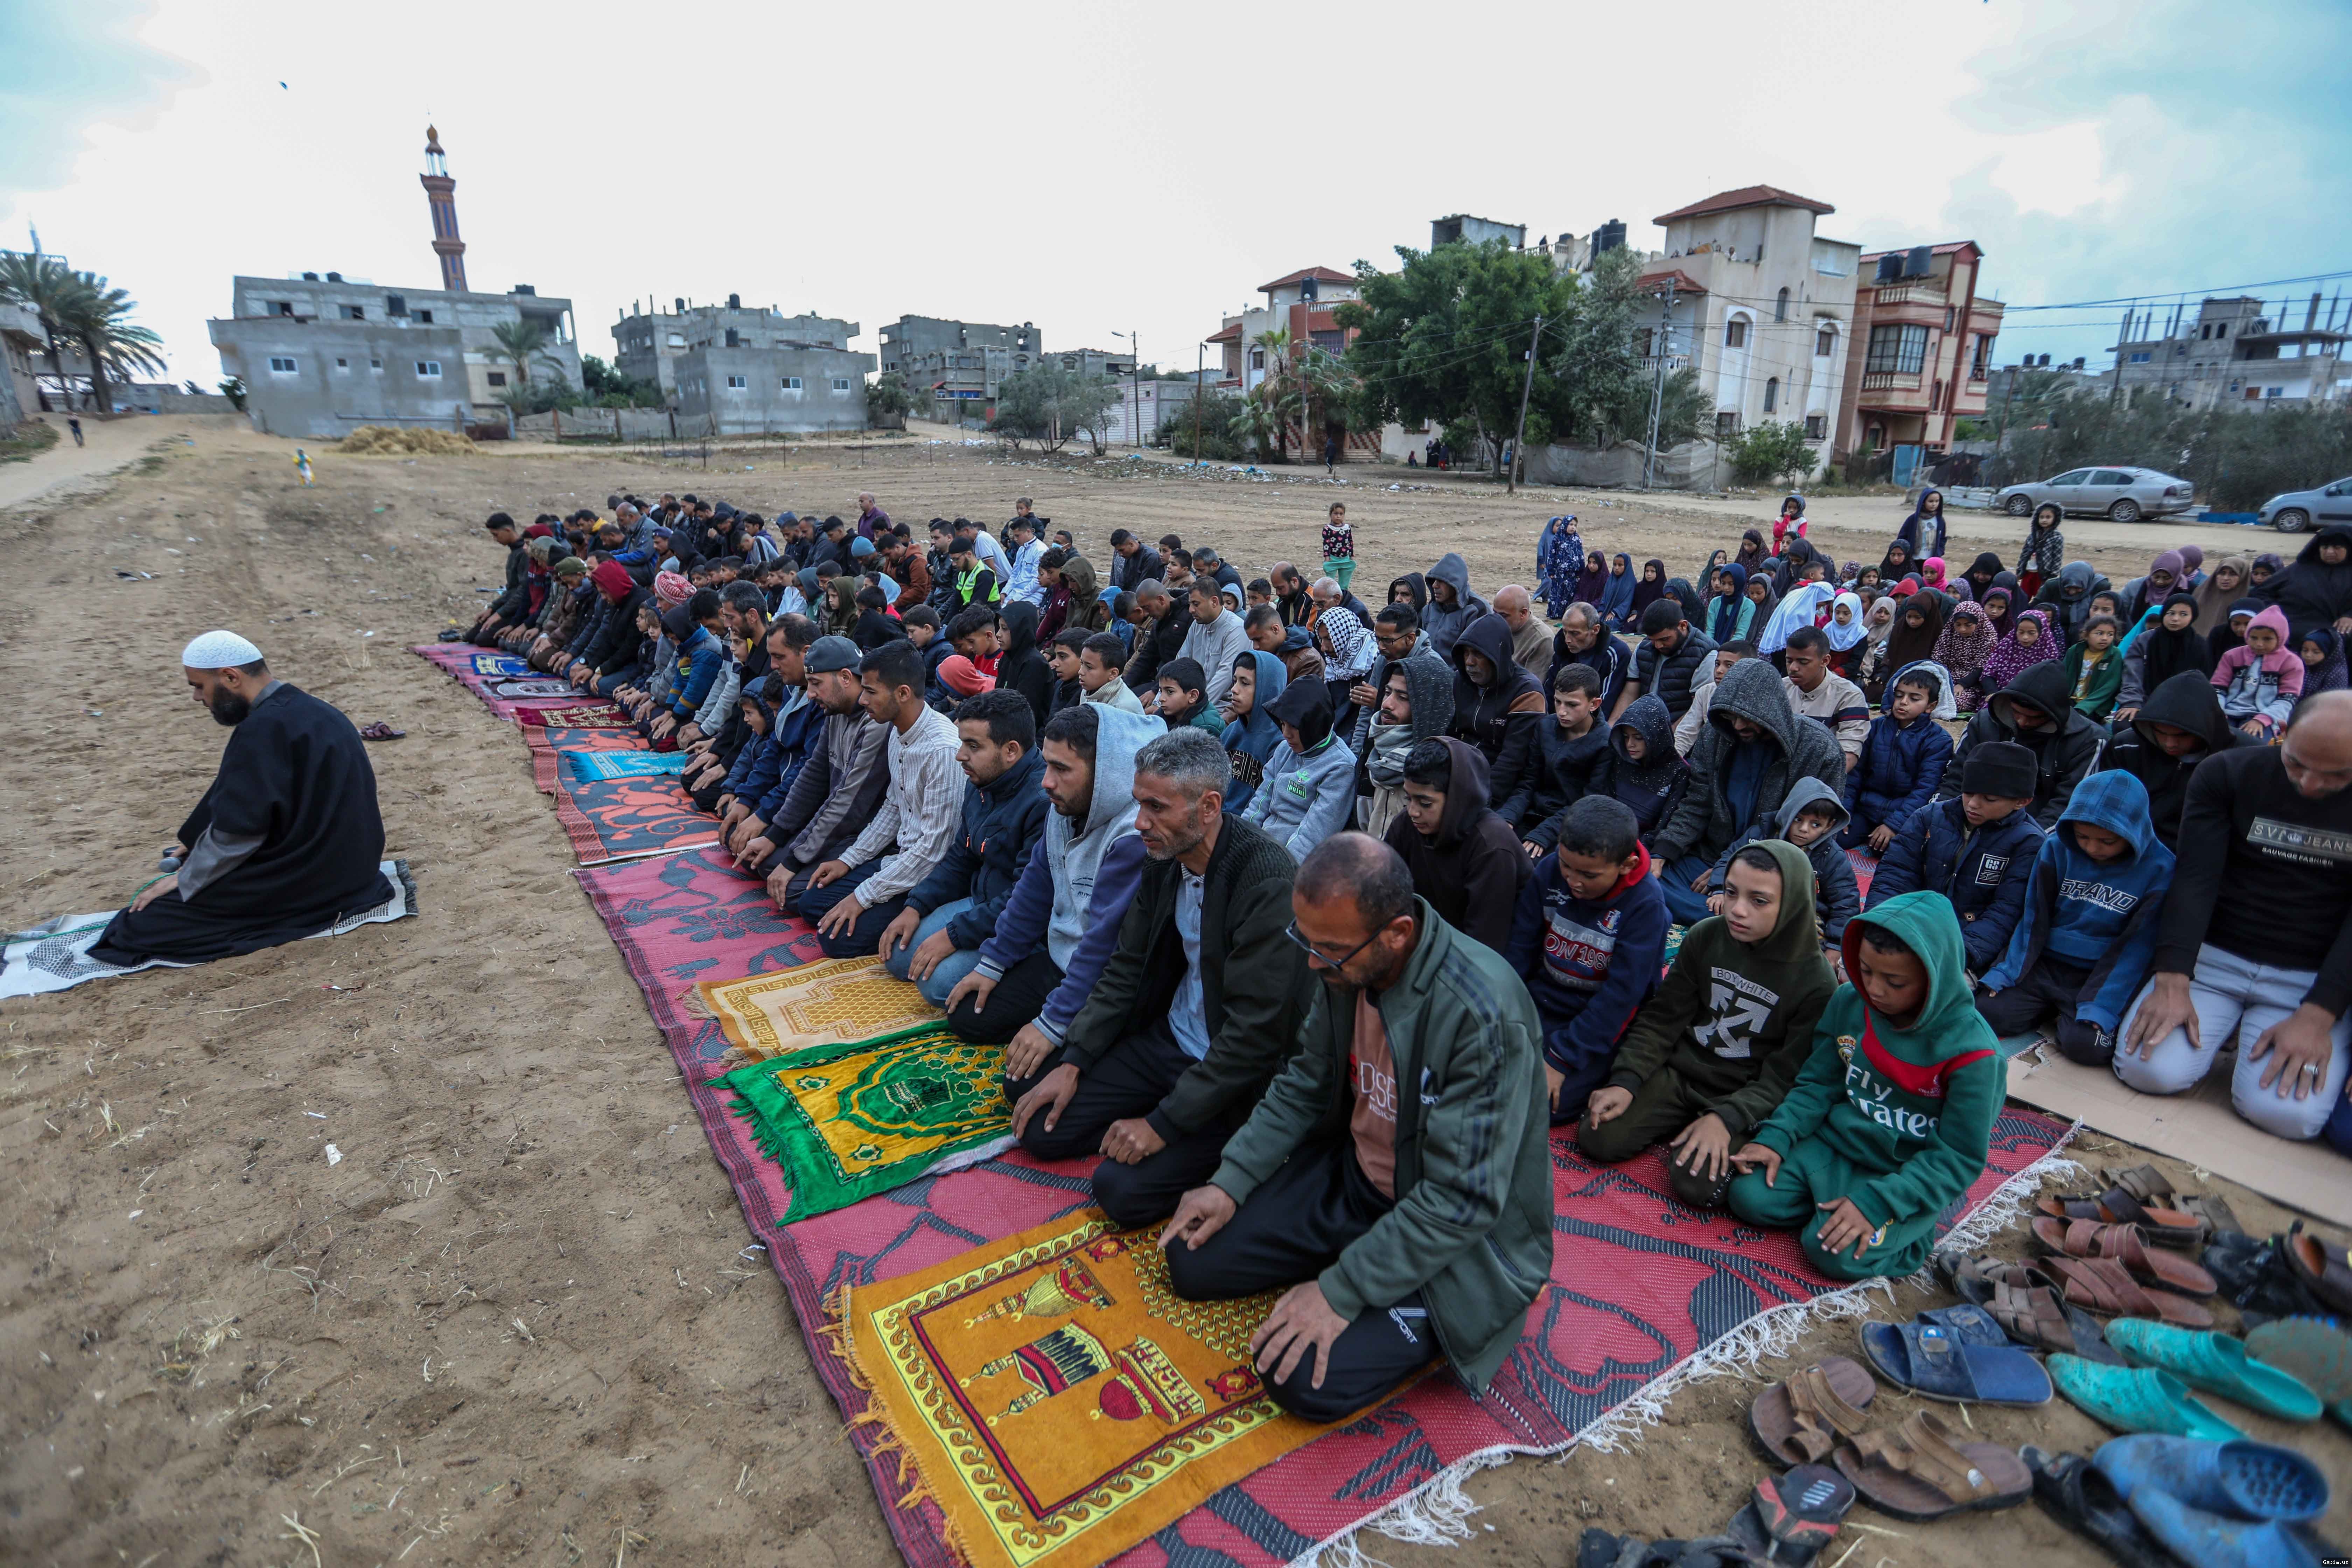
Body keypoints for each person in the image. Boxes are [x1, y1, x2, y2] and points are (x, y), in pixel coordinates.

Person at [1159, 833, 1553, 1423]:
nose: (1314, 964)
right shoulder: (1346, 965)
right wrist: (1230, 1182)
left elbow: (1462, 1199)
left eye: (1331, 950)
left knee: (1293, 1377)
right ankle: (1356, 1259)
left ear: (1397, 933)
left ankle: (1407, 1292)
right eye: (1307, 941)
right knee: (1192, 1261)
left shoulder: (1480, 1013)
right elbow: (1303, 1084)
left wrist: (1340, 1291)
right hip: (1357, 1182)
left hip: (1453, 1236)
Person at [1006, 727, 1316, 1225]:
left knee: (1119, 1191)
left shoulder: (1266, 880)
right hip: (1170, 1040)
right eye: (1138, 804)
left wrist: (1164, 1124)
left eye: (1156, 808)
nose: (1141, 822)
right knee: (1036, 1112)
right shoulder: (1164, 855)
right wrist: (1077, 1059)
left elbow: (1253, 1034)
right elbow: (1125, 966)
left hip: (1230, 1070)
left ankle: (1237, 1153)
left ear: (1210, 807)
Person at [2116, 692, 2352, 1141]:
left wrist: (2320, 1016)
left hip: (2307, 976)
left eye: (2336, 775)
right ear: (2281, 734)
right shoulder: (2229, 774)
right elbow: (2194, 878)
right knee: (2149, 1071)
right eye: (2297, 763)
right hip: (2215, 956)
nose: (2310, 785)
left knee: (2286, 1115)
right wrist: (2172, 978)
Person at [1727, 895, 1998, 1280]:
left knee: (1835, 1255)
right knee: (1748, 1196)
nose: (1875, 989)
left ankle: (1908, 1237)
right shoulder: (1850, 1002)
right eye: (1866, 970)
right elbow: (1818, 1082)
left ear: (1936, 975)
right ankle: (1830, 1208)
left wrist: (1879, 1203)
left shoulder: (1975, 1055)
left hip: (1901, 1169)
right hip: (1835, 1144)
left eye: (1896, 981)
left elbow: (1958, 1156)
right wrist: (1778, 1135)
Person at [93, 632, 392, 966]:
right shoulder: (314, 710)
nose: (196, 697)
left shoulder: (263, 729)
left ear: (231, 677)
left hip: (313, 877)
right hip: (356, 870)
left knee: (133, 928)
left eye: (199, 686)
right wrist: (197, 843)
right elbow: (247, 797)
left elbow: (240, 831)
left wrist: (185, 878)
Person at [1582, 840, 1836, 1210]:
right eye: (1731, 892)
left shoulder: (1816, 982)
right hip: (1681, 1073)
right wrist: (1627, 1079)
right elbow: (1662, 1019)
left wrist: (1727, 1118)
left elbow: (1785, 1076)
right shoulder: (1706, 935)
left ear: (1794, 903)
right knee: (1597, 1135)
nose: (1738, 910)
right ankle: (1675, 1120)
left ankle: (1702, 1128)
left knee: (1697, 1183)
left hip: (1740, 1092)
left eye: (1759, 900)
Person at [947, 704, 1158, 1047]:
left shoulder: (1133, 836)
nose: (1047, 781)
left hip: (1107, 982)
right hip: (1062, 959)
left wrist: (1054, 1023)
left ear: (1103, 772)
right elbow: (1034, 889)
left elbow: (1103, 942)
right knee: (968, 1014)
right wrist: (994, 963)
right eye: (1047, 764)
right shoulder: (1064, 806)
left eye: (1061, 768)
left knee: (1028, 1087)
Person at [1976, 771, 2172, 1066]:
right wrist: (2006, 972)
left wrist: (2103, 1006)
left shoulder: (2160, 867)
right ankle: (2047, 1009)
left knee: (2086, 1048)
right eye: (2082, 837)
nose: (2092, 848)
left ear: (2134, 830)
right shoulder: (2057, 847)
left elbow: (2137, 948)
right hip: (2045, 964)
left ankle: (2072, 1015)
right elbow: (2033, 918)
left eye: (2107, 841)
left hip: (2098, 975)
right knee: (1986, 1013)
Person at [874, 689, 1050, 1006]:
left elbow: (1025, 898)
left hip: (1018, 922)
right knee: (898, 957)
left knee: (937, 985)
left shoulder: (1041, 802)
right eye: (961, 742)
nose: (960, 756)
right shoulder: (982, 781)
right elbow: (960, 857)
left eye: (973, 746)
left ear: (1011, 751)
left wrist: (954, 935)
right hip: (978, 903)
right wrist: (917, 905)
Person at [793, 642, 963, 957]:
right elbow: (893, 808)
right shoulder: (898, 731)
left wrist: (863, 896)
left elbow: (934, 851)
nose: (862, 700)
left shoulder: (942, 751)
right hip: (901, 858)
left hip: (929, 875)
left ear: (902, 693)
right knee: (811, 903)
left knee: (836, 940)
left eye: (870, 691)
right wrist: (849, 861)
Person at [1506, 796, 1670, 1123]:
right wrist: (1503, 1010)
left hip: (1594, 1021)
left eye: (1589, 875)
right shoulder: (1551, 870)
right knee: (1474, 1065)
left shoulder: (1647, 906)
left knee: (1541, 1104)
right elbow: (1520, 950)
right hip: (1541, 1000)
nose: (1573, 881)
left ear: (1626, 865)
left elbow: (1620, 999)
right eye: (1567, 866)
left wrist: (1560, 1060)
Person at [1650, 659, 1846, 927]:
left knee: (1767, 906)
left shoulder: (1819, 749)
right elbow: (1697, 803)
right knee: (1648, 882)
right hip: (1710, 857)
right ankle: (1735, 920)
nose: (1739, 726)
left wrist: (1735, 871)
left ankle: (1738, 918)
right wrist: (1663, 853)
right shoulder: (1715, 736)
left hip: (1772, 870)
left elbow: (1815, 833)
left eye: (1747, 717)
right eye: (1731, 717)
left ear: (1771, 710)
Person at [1869, 740, 2043, 979]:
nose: (1973, 804)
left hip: (1968, 946)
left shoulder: (2030, 842)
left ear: (2021, 801)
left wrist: (1958, 954)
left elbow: (2006, 912)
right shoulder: (1929, 817)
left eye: (1989, 799)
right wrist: (1879, 924)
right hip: (1913, 925)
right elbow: (1894, 876)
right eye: (1968, 792)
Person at [1381, 737, 1528, 954]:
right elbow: (1384, 889)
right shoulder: (1407, 824)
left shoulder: (1493, 848)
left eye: (1426, 803)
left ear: (1458, 798)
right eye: (1409, 799)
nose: (1413, 811)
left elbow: (1484, 946)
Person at [1940, 660, 2105, 829]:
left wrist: (2030, 842)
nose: (2022, 722)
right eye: (2016, 712)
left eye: (2034, 718)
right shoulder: (1985, 723)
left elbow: (2068, 804)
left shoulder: (2086, 740)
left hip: (2034, 829)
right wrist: (1941, 822)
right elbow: (1956, 776)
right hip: (1971, 819)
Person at [1706, 777, 1859, 948]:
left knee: (1801, 946)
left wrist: (1836, 946)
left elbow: (1846, 902)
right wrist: (1719, 889)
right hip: (1752, 901)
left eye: (1816, 825)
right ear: (1788, 812)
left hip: (1803, 914)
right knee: (1712, 915)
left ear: (1829, 827)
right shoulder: (1761, 835)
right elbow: (1730, 859)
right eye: (1798, 819)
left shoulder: (1831, 856)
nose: (1804, 829)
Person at [1241, 681, 1358, 861]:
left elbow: (1315, 832)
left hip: (1292, 862)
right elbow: (1261, 801)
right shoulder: (1284, 750)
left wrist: (1280, 865)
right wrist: (1241, 839)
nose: (1286, 734)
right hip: (1260, 845)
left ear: (1314, 725)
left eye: (1294, 727)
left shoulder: (1341, 767)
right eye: (1282, 724)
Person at [1842, 665, 1954, 852]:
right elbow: (1855, 775)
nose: (1903, 702)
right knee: (1835, 839)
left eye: (1914, 698)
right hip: (1865, 808)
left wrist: (1894, 825)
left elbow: (1925, 789)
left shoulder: (1939, 740)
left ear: (1931, 706)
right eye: (1900, 695)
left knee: (1890, 851)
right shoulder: (1875, 728)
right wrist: (1844, 811)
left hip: (1904, 814)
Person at [1447, 612, 1546, 813]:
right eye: (1466, 653)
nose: (1469, 662)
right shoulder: (1461, 680)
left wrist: (1479, 801)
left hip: (1501, 787)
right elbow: (1451, 733)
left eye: (1478, 654)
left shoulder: (1527, 693)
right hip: (1462, 769)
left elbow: (1512, 761)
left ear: (1497, 656)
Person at [1506, 664, 1610, 849]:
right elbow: (1528, 781)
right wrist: (1508, 816)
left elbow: (1589, 802)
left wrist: (1546, 833)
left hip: (1569, 824)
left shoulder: (1605, 744)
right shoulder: (1545, 726)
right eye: (1558, 702)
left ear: (1594, 704)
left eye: (1572, 705)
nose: (1562, 711)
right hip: (1531, 812)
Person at [1353, 652, 1455, 841]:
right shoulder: (1376, 754)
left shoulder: (1444, 772)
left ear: (1427, 707)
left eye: (1403, 698)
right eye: (1387, 693)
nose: (1387, 704)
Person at [1779, 626, 1869, 771]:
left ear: (1825, 661)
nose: (1793, 668)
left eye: (1803, 662)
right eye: (1789, 661)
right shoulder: (1781, 688)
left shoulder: (1849, 696)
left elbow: (1848, 755)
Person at [2212, 604, 2304, 738]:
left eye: (2267, 639)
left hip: (2267, 717)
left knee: (2252, 748)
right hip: (2228, 712)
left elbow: (2287, 700)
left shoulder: (2292, 663)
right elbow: (2217, 689)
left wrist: (2262, 719)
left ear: (2281, 638)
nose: (2259, 644)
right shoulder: (2232, 656)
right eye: (2254, 638)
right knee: (2215, 740)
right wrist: (2218, 713)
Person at [2252, 524, 2352, 645]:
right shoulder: (2299, 569)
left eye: (2337, 547)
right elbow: (2261, 592)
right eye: (2325, 547)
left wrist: (2350, 617)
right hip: (2291, 626)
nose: (2330, 552)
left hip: (2336, 630)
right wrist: (2276, 613)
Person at [1625, 598, 1718, 724]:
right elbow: (1629, 695)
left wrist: (1669, 741)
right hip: (1643, 726)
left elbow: (1697, 711)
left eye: (1665, 639)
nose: (1658, 646)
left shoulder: (1707, 655)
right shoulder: (1644, 647)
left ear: (1683, 626)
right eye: (1653, 640)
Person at [1176, 580, 1252, 709]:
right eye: (1190, 604)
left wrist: (1193, 708)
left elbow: (1225, 676)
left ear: (1214, 602)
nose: (1191, 610)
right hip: (1192, 700)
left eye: (1196, 604)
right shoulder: (1197, 625)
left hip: (1224, 706)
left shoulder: (1236, 629)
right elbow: (1181, 662)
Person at [1673, 641, 1754, 756]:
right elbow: (1687, 731)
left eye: (1729, 665)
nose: (1719, 670)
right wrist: (1672, 759)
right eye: (1717, 664)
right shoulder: (1706, 692)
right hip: (1710, 757)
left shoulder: (1755, 696)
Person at [1547, 602, 1630, 713]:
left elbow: (1605, 705)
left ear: (1595, 630)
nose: (1568, 639)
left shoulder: (1616, 654)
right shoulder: (1563, 647)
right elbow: (1550, 689)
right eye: (1565, 632)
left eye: (1575, 634)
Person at [1420, 552, 1489, 659]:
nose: (1435, 586)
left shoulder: (1476, 610)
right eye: (1434, 580)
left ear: (1456, 584)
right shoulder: (1428, 610)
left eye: (1441, 581)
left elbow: (1477, 655)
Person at [2059, 612, 2126, 722]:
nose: (2105, 638)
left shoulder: (2115, 655)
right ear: (2087, 635)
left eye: (2110, 634)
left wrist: (2084, 707)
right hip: (2070, 700)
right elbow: (2063, 676)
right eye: (2100, 634)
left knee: (2076, 722)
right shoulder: (2075, 651)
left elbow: (2110, 687)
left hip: (2096, 707)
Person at [1246, 603, 1325, 688]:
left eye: (1258, 640)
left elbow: (1300, 699)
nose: (1255, 647)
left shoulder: (1309, 661)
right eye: (1253, 641)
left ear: (1275, 629)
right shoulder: (1266, 654)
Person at [1537, 515, 1584, 620]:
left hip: (1573, 574)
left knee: (1570, 594)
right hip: (1560, 574)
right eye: (1571, 525)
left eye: (1575, 526)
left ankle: (1568, 614)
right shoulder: (1558, 538)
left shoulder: (1577, 539)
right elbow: (1552, 555)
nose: (1573, 528)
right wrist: (1551, 571)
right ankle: (1555, 613)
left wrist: (1581, 570)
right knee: (1558, 593)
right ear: (1565, 525)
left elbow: (1581, 555)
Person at [1319, 502, 1357, 593]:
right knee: (1329, 583)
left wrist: (1352, 556)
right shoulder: (1328, 529)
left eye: (1341, 514)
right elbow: (1326, 544)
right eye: (1336, 514)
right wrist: (1327, 559)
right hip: (1333, 559)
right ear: (1331, 515)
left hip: (1345, 559)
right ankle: (1329, 597)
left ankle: (1342, 597)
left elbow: (1350, 542)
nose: (1338, 516)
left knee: (1344, 585)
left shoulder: (1347, 528)